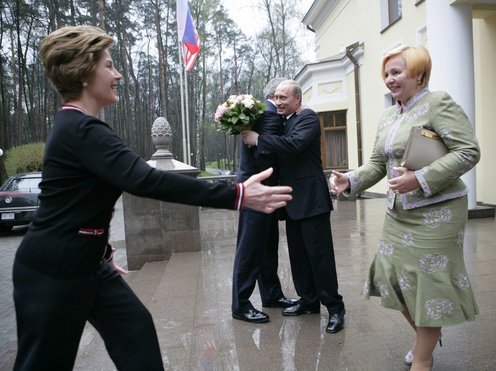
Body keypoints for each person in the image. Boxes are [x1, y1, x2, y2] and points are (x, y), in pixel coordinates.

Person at [12, 25, 292, 371]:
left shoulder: (80, 128)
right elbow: (147, 180)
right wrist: (237, 194)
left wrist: (100, 248)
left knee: (136, 335)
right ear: (84, 73)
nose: (117, 75)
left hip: (88, 264)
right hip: (54, 270)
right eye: (109, 65)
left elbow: (78, 201)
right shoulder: (81, 129)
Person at [330, 45, 480, 370]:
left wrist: (420, 178)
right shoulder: (387, 115)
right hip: (398, 213)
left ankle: (422, 360)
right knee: (391, 277)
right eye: (386, 74)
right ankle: (425, 335)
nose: (389, 79)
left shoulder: (438, 103)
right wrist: (350, 181)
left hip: (437, 212)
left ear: (419, 73)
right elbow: (376, 163)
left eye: (396, 72)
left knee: (429, 282)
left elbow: (468, 151)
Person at [242, 80, 345, 334]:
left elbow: (294, 145)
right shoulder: (285, 119)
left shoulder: (308, 118)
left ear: (297, 99)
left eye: (283, 98)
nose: (277, 102)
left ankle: (335, 308)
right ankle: (308, 301)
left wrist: (259, 139)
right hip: (292, 201)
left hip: (312, 200)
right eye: (275, 97)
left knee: (320, 256)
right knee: (298, 256)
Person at [232, 77, 297, 323]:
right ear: (275, 94)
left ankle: (272, 295)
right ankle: (241, 304)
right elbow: (269, 151)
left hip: (264, 190)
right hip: (256, 189)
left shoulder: (263, 113)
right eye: (281, 96)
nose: (282, 101)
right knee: (249, 248)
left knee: (267, 245)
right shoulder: (270, 115)